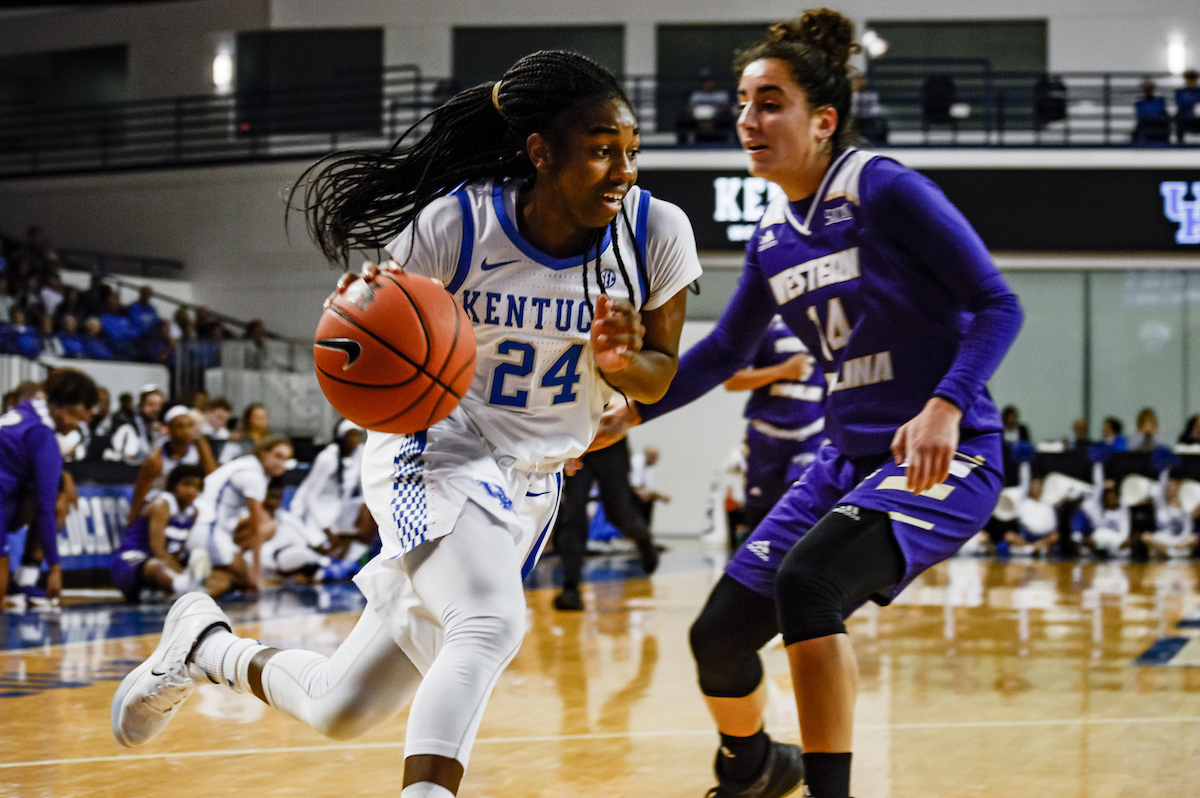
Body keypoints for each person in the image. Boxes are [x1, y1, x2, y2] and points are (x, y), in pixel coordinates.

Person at [111, 50, 701, 798]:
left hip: (531, 488)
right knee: (489, 626)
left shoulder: (656, 232)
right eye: (601, 150)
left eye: (630, 151)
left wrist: (621, 364)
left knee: (341, 706)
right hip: (432, 448)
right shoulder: (456, 225)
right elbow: (372, 340)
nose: (623, 169)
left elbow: (661, 368)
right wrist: (362, 316)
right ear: (541, 153)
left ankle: (204, 647)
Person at [596, 12, 1022, 797]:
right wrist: (631, 410)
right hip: (842, 463)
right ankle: (759, 766)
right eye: (743, 104)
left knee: (809, 584)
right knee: (718, 638)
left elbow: (998, 304)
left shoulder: (884, 189)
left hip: (946, 456)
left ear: (822, 121)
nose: (747, 120)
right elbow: (724, 353)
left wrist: (945, 405)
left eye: (769, 102)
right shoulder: (771, 238)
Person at [723, 314, 827, 543]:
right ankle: (756, 575)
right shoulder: (764, 324)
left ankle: (801, 575)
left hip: (810, 437)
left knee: (806, 512)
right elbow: (731, 381)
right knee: (760, 521)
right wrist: (782, 371)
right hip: (765, 439)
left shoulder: (830, 321)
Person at [0, 368, 98, 605]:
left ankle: (23, 581)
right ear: (67, 407)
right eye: (77, 418)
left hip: (7, 500)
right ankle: (26, 578)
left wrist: (63, 476)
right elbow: (44, 509)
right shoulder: (42, 435)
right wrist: (55, 566)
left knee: (58, 495)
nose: (76, 427)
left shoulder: (24, 411)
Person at [552, 433, 660, 611]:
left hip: (611, 440)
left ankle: (643, 540)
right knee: (573, 515)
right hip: (580, 440)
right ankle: (570, 589)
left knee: (619, 514)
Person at [192, 436, 293, 597]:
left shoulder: (246, 464)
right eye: (278, 456)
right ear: (264, 453)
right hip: (208, 529)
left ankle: (207, 572)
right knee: (247, 580)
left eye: (286, 459)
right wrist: (256, 574)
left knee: (269, 526)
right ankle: (187, 589)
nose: (281, 463)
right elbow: (256, 529)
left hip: (208, 528)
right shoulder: (253, 476)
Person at [110, 463, 207, 601]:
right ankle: (186, 588)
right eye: (186, 484)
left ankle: (162, 592)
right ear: (174, 485)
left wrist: (179, 569)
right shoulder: (162, 505)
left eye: (196, 487)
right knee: (159, 565)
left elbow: (176, 553)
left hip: (157, 569)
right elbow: (158, 551)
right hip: (129, 565)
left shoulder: (193, 513)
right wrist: (182, 573)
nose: (191, 491)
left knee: (218, 576)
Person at [287, 419, 371, 561]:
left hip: (340, 508)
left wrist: (364, 507)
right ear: (341, 437)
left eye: (357, 435)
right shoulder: (327, 458)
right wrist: (326, 529)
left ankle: (349, 562)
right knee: (319, 551)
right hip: (316, 511)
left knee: (374, 511)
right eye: (351, 435)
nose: (355, 440)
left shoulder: (360, 454)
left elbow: (366, 489)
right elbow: (309, 497)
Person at [126, 405, 218, 523]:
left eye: (190, 426)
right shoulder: (156, 457)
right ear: (169, 429)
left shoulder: (197, 448)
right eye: (180, 426)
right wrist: (132, 522)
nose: (186, 431)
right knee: (164, 503)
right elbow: (140, 492)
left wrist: (204, 448)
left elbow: (213, 477)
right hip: (161, 499)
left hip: (187, 501)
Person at [677, 68, 735, 144]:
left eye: (710, 81)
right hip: (698, 120)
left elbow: (727, 108)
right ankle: (683, 145)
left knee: (727, 118)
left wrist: (715, 113)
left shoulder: (722, 95)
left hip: (716, 120)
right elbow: (690, 108)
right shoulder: (696, 95)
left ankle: (729, 142)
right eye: (705, 82)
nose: (708, 84)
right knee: (683, 119)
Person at [109, 387, 165, 464]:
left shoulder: (161, 426)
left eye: (159, 405)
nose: (156, 409)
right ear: (141, 404)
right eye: (151, 404)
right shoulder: (128, 422)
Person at [1132, 79, 1170, 144]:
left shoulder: (1159, 101)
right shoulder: (1140, 103)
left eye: (1150, 88)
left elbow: (1160, 114)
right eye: (1146, 88)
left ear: (1153, 89)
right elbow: (1141, 116)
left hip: (1158, 126)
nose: (1148, 90)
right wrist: (1153, 115)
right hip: (1146, 126)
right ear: (1143, 90)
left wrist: (1153, 116)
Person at [1174, 69, 1200, 144]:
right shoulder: (1181, 92)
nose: (1191, 81)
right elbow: (1181, 103)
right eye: (1189, 79)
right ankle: (1180, 142)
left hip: (1198, 119)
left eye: (1193, 79)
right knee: (1178, 119)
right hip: (1186, 118)